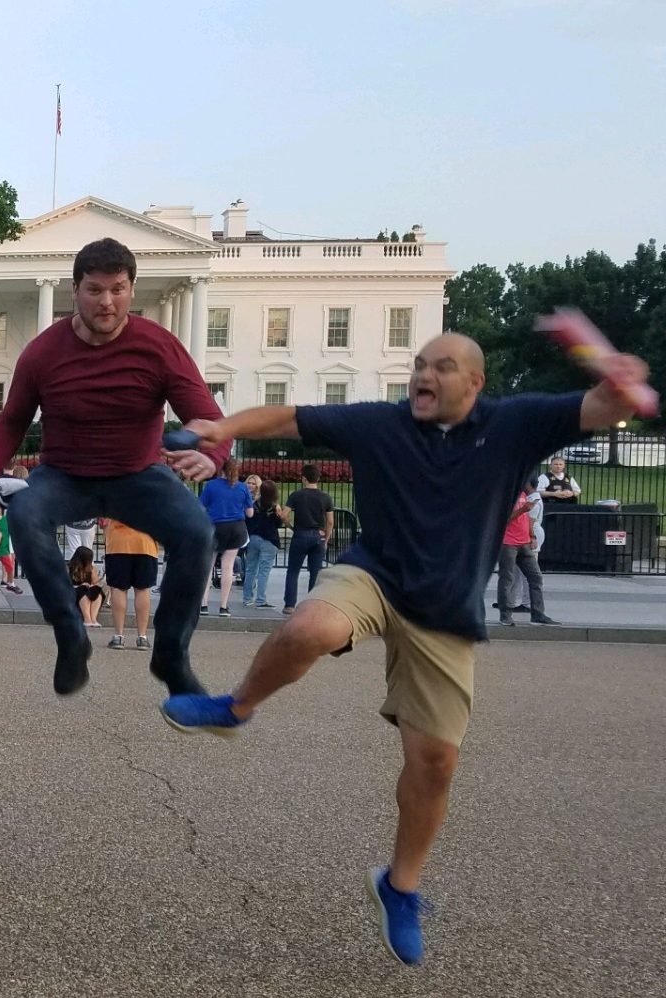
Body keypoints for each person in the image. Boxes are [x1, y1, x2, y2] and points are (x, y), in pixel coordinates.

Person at [159, 332, 651, 965]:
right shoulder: (378, 423)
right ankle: (236, 706)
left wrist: (619, 382)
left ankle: (400, 886)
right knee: (311, 628)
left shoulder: (515, 424)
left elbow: (604, 408)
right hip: (374, 575)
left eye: (442, 368)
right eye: (419, 365)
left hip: (445, 608)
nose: (424, 375)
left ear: (474, 383)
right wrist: (219, 426)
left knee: (435, 764)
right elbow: (286, 415)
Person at [0, 238, 228, 698]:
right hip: (66, 475)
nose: (106, 302)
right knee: (27, 515)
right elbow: (11, 420)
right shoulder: (44, 351)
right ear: (75, 290)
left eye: (118, 289)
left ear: (131, 289)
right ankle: (70, 635)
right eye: (94, 290)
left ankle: (171, 654)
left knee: (197, 532)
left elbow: (208, 417)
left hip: (138, 474)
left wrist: (211, 454)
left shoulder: (159, 347)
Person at [497, 477, 555, 626]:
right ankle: (505, 614)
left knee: (536, 577)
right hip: (508, 542)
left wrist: (532, 535)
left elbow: (528, 518)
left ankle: (537, 613)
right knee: (507, 578)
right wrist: (523, 509)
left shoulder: (524, 496)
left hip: (524, 542)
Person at [200, 458, 251, 616]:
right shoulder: (242, 487)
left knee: (208, 566)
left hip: (215, 527)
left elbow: (201, 506)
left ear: (221, 469)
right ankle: (223, 606)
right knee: (228, 567)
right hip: (236, 528)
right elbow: (250, 513)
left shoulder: (211, 486)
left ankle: (204, 605)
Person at [282, 463, 334, 613]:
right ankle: (311, 606)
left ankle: (290, 605)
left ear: (303, 478)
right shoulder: (325, 497)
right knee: (315, 572)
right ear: (318, 478)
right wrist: (327, 538)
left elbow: (284, 514)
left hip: (300, 534)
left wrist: (290, 526)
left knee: (293, 570)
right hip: (318, 535)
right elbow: (330, 521)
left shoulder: (296, 495)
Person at [102, 518, 158, 650]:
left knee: (118, 588)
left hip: (118, 541)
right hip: (145, 542)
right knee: (143, 589)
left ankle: (118, 636)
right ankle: (142, 637)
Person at [241, 475, 282, 609]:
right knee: (264, 572)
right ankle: (260, 600)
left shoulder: (254, 505)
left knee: (250, 569)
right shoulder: (274, 507)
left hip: (253, 538)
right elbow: (278, 524)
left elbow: (248, 520)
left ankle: (247, 598)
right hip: (269, 540)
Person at [68, 546, 104, 627]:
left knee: (97, 592)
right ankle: (87, 619)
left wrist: (98, 579)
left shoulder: (91, 568)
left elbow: (95, 582)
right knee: (83, 589)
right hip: (75, 591)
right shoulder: (71, 567)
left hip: (88, 591)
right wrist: (80, 585)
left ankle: (93, 619)